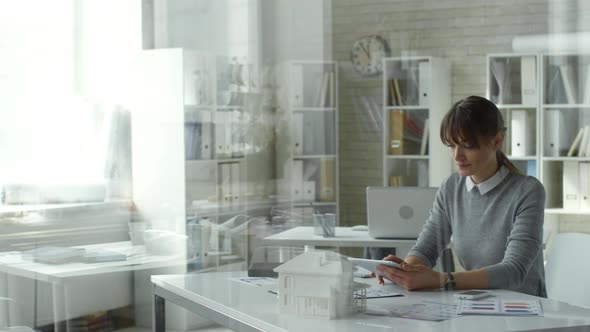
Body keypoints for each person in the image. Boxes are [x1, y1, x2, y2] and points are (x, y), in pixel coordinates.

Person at [376, 95, 547, 297]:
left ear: (497, 141)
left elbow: (514, 270)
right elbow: (426, 249)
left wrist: (441, 280)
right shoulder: (451, 187)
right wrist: (404, 271)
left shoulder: (527, 191)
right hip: (478, 303)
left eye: (467, 145)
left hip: (524, 310)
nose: (457, 156)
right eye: (451, 145)